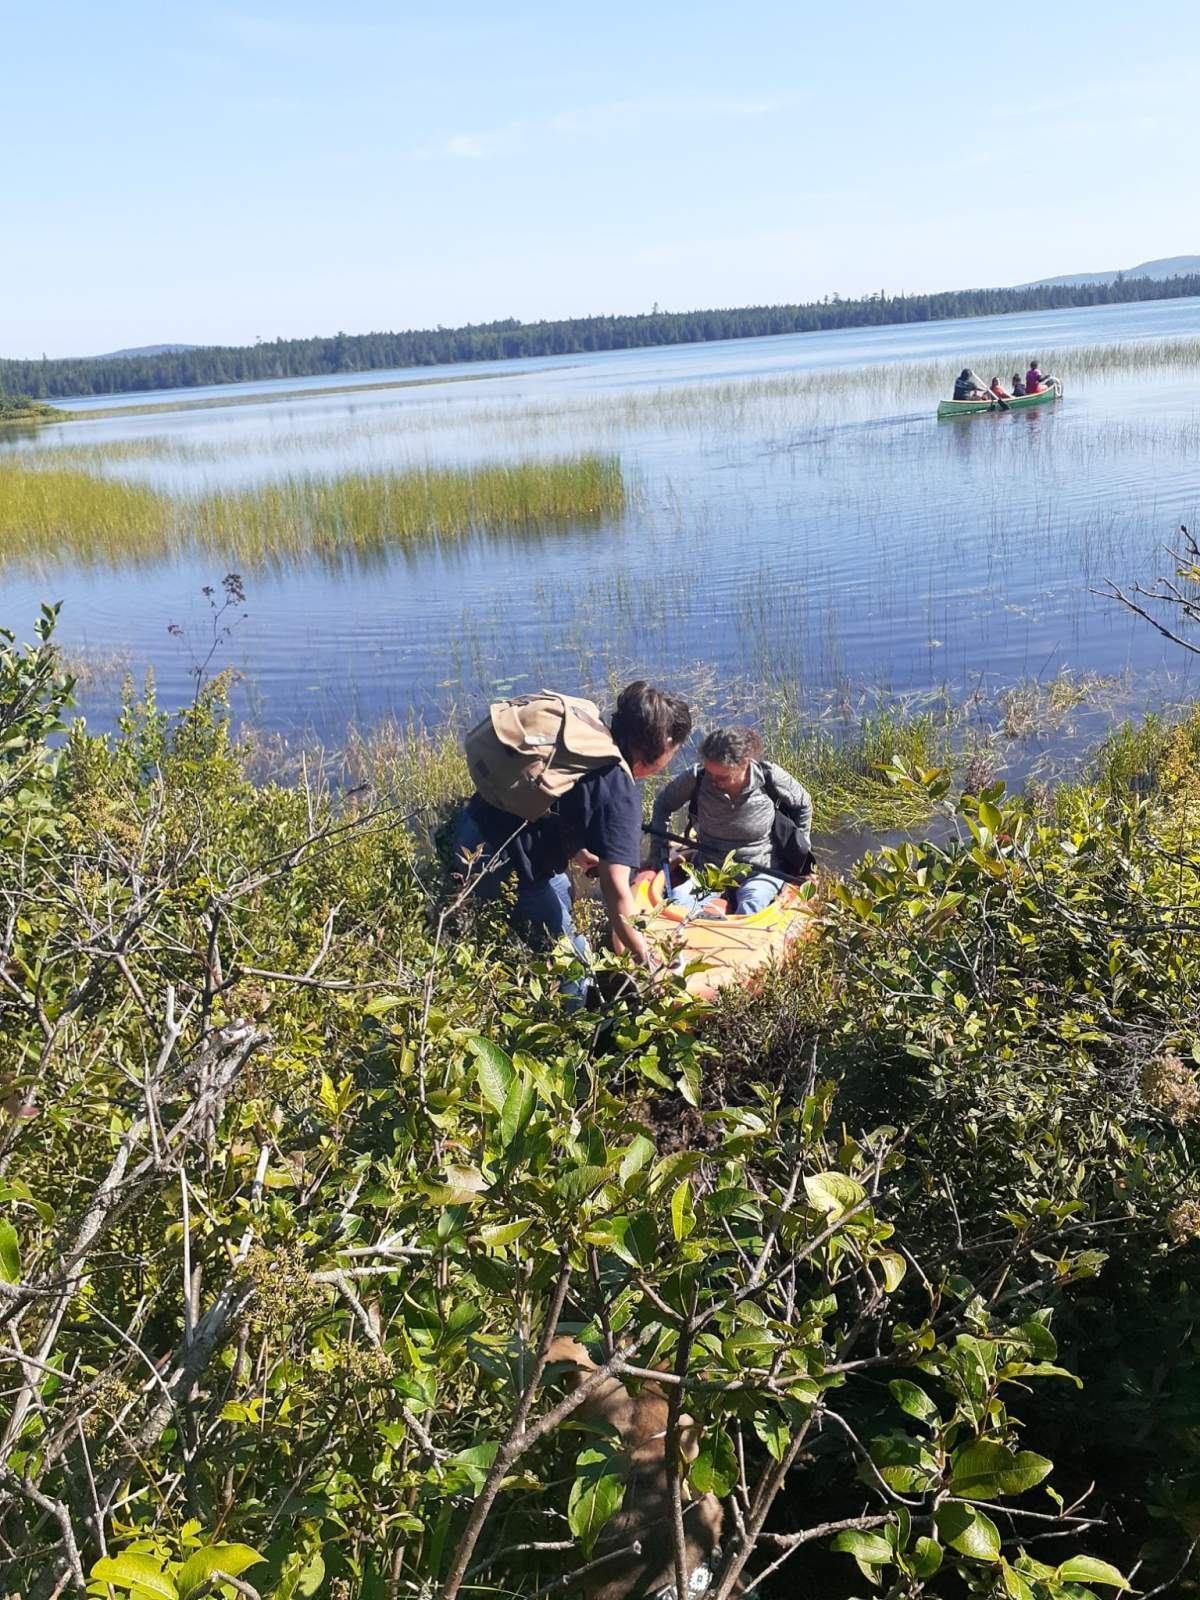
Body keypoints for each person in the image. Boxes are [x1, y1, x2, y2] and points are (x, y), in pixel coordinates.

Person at [454, 681, 692, 975]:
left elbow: (554, 796)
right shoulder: (620, 793)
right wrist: (647, 960)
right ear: (662, 747)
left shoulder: (587, 735)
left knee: (562, 894)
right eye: (674, 753)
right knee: (576, 967)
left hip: (471, 830)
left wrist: (577, 850)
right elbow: (617, 892)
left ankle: (529, 964)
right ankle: (569, 1012)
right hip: (503, 862)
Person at [648, 726, 813, 916]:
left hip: (761, 869)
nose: (713, 781)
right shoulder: (697, 777)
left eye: (722, 777)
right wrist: (657, 851)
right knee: (678, 900)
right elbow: (663, 804)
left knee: (753, 904)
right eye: (710, 774)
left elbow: (803, 804)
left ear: (744, 764)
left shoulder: (769, 777)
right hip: (710, 868)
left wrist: (802, 853)